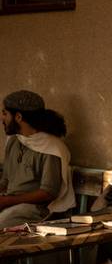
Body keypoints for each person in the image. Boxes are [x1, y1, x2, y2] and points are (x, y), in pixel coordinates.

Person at [0, 90, 74, 228]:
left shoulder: (52, 148)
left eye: (4, 113)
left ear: (18, 117)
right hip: (10, 205)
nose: (1, 118)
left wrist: (8, 201)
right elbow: (5, 180)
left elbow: (48, 193)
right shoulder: (14, 141)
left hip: (36, 211)